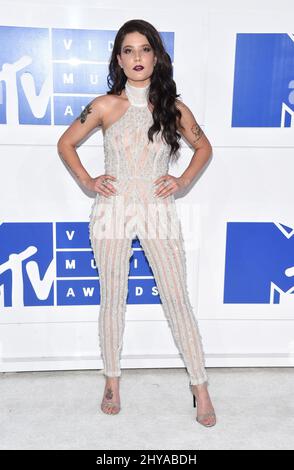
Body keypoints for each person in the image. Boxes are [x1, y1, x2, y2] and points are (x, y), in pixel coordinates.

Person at [57, 19, 216, 427]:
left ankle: (200, 386)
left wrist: (181, 181)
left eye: (144, 49)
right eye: (128, 50)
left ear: (156, 56)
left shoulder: (173, 108)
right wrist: (89, 181)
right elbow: (66, 143)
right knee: (113, 297)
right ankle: (111, 380)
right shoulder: (105, 105)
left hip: (157, 207)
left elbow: (203, 147)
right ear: (118, 58)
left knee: (176, 296)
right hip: (112, 208)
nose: (137, 58)